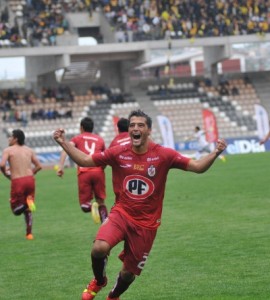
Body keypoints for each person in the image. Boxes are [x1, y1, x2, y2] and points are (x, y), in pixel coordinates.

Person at [53, 109, 227, 300]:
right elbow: (85, 160)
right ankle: (99, 280)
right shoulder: (118, 152)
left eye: (140, 125)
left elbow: (197, 167)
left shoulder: (164, 155)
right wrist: (63, 142)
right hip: (121, 213)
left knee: (128, 273)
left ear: (149, 130)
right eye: (132, 125)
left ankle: (113, 296)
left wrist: (216, 152)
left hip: (146, 224)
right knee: (99, 248)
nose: (135, 128)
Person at [56, 117, 108, 223]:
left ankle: (92, 208)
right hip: (98, 172)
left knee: (85, 205)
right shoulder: (100, 139)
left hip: (84, 172)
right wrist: (101, 169)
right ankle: (105, 225)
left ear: (81, 128)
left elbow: (66, 148)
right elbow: (106, 157)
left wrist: (61, 166)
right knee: (101, 202)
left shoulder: (77, 138)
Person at [0, 129, 42, 240]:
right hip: (30, 180)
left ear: (16, 139)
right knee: (28, 211)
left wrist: (6, 174)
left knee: (15, 210)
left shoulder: (8, 150)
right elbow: (39, 166)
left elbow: (2, 164)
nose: (9, 138)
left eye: (11, 137)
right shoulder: (29, 150)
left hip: (18, 181)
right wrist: (30, 173)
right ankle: (29, 234)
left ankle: (26, 204)